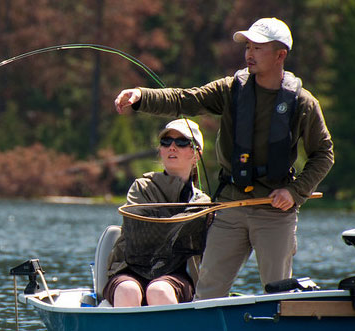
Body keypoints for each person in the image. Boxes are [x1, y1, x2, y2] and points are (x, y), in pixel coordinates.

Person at [113, 17, 334, 300]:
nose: (249, 54)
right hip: (229, 206)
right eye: (248, 47)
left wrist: (295, 192)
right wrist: (141, 97)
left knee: (278, 297)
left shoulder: (303, 103)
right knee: (207, 294)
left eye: (258, 48)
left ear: (281, 55)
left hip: (275, 213)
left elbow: (324, 154)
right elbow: (185, 99)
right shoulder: (230, 90)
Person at [103, 118, 211, 307]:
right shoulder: (141, 187)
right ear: (160, 150)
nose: (172, 147)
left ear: (196, 155)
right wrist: (186, 222)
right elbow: (142, 232)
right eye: (166, 142)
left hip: (177, 275)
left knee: (159, 291)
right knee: (127, 291)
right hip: (129, 269)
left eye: (182, 142)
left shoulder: (203, 202)